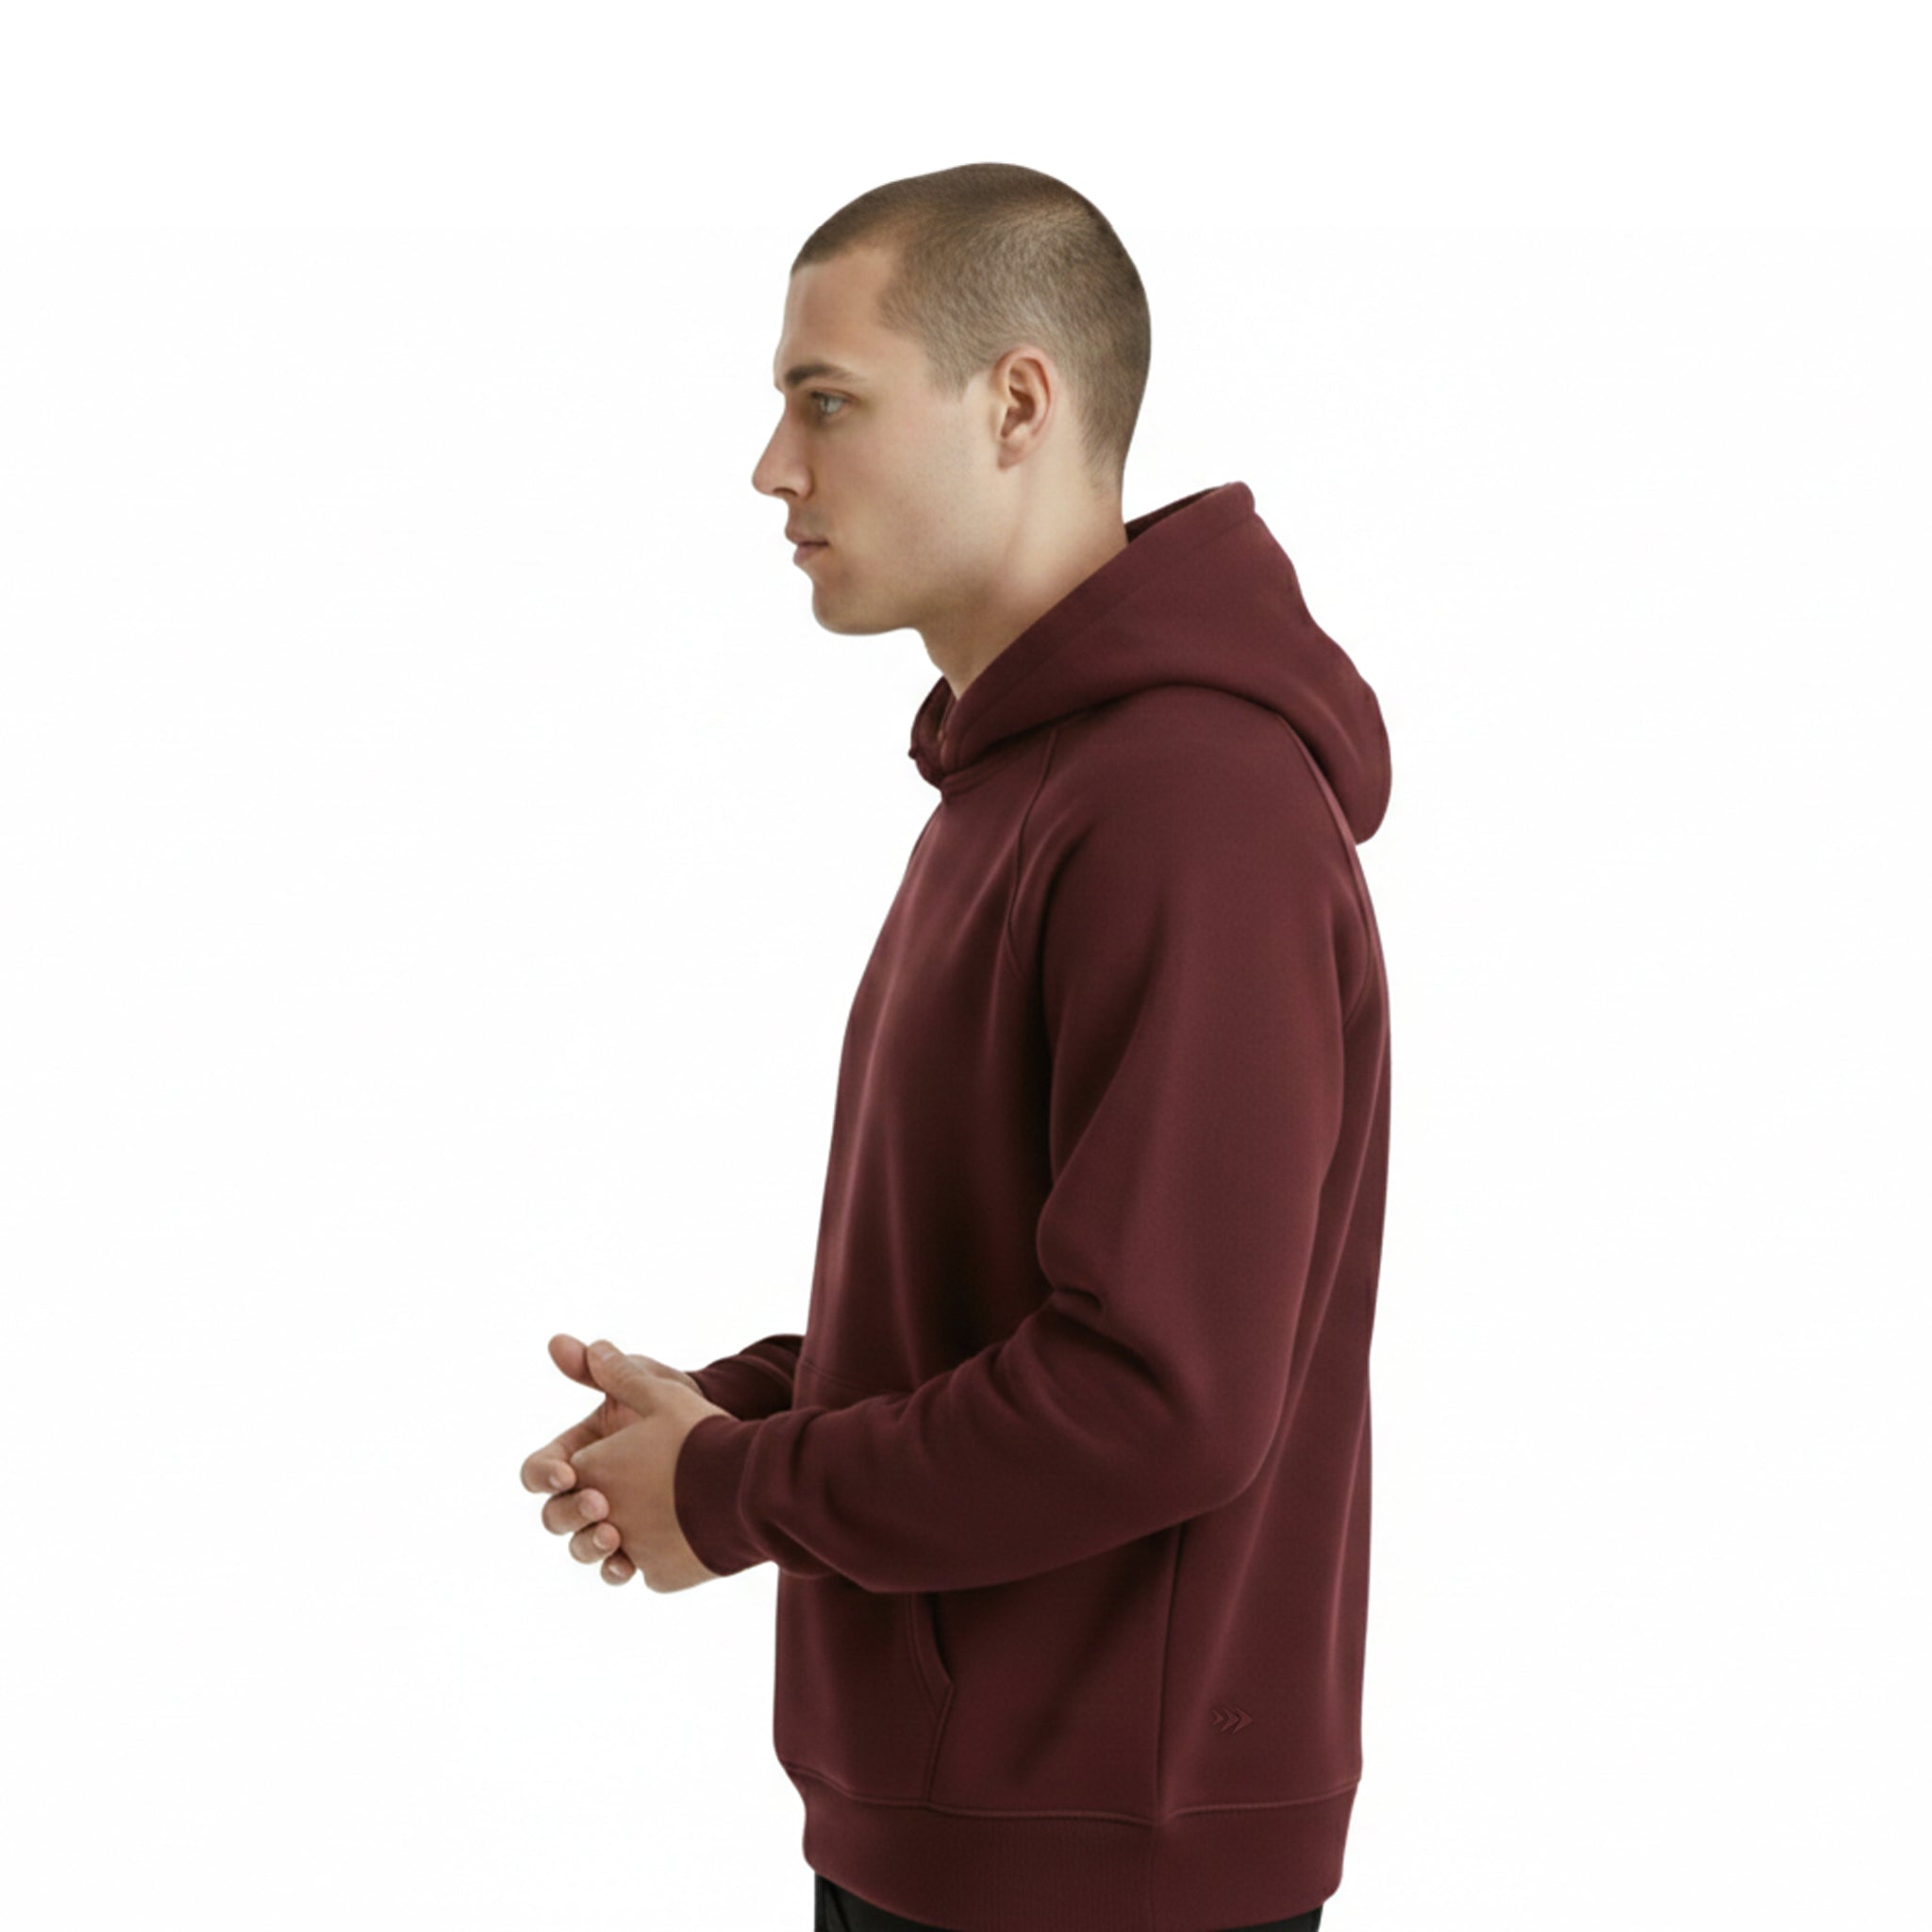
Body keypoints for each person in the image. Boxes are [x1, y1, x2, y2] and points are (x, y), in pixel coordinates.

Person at [520, 160, 1391, 1932]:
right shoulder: (1024, 789)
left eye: (825, 401)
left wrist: (737, 1493)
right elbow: (1015, 1305)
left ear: (1017, 403)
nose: (774, 467)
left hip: (1100, 1876)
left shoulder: (1184, 803)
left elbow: (1155, 1398)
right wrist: (740, 1414)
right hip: (973, 1834)